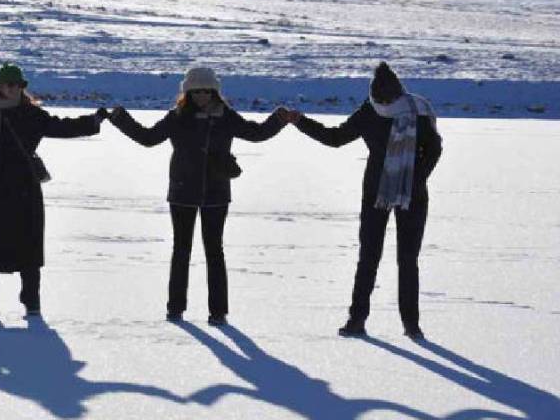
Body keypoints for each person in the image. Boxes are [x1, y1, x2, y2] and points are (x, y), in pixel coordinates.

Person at [108, 66, 286, 326]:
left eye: (207, 90)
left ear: (215, 92)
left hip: (217, 193)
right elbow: (148, 138)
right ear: (187, 93)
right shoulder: (177, 117)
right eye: (196, 91)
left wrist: (278, 119)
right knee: (181, 250)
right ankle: (175, 308)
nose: (202, 95)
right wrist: (121, 118)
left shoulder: (226, 117)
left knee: (215, 251)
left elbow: (256, 133)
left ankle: (218, 311)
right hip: (182, 192)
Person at [0, 63, 108, 316]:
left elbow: (60, 127)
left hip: (24, 187)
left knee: (29, 250)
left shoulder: (31, 114)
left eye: (19, 85)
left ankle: (31, 302)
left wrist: (92, 121)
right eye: (10, 85)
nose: (15, 89)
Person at [280, 62, 442, 340]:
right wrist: (300, 121)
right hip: (376, 193)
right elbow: (335, 137)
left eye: (388, 98)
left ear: (399, 93)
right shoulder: (369, 111)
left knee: (407, 258)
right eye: (379, 98)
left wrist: (417, 178)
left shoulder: (418, 110)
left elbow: (435, 148)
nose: (384, 103)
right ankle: (357, 319)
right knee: (368, 256)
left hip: (412, 195)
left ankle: (411, 324)